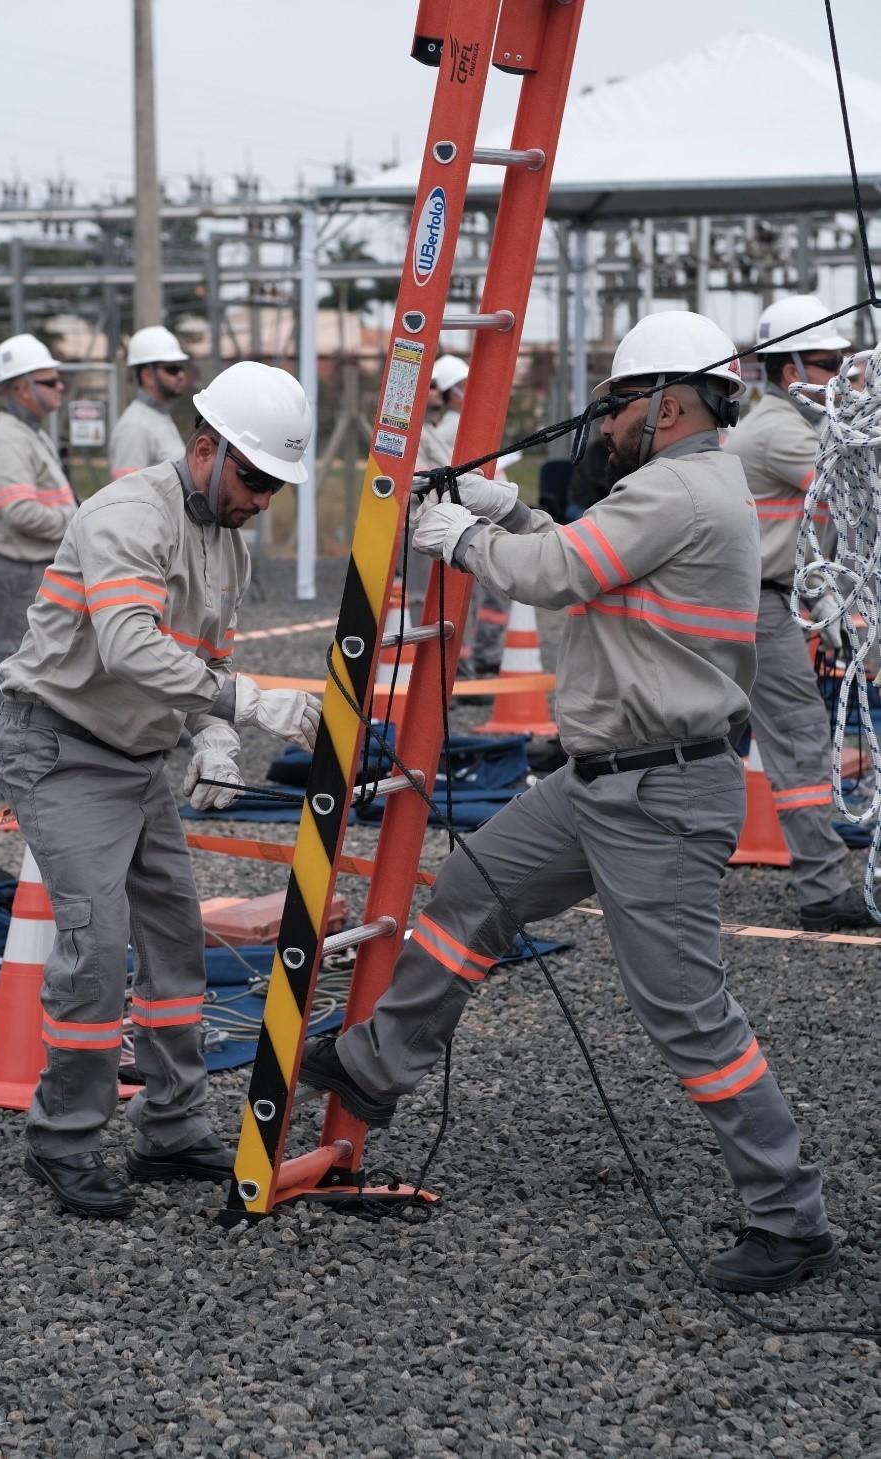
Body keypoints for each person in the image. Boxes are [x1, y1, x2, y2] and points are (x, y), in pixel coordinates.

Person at [301, 311, 838, 1295]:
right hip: (606, 780)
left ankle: (788, 1214)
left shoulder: (675, 488)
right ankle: (378, 1063)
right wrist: (508, 513)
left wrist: (464, 536)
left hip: (658, 790)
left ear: (666, 403)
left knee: (687, 1013)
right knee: (475, 888)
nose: (604, 424)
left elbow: (560, 575)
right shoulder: (679, 484)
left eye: (617, 404)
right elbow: (594, 557)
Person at [0, 361, 321, 1218]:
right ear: (205, 448)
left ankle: (171, 1127)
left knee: (175, 943)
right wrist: (245, 706)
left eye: (276, 486)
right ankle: (63, 1138)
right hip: (60, 748)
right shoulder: (131, 515)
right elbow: (131, 645)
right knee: (95, 945)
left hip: (135, 758)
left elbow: (199, 661)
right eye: (253, 478)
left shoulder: (227, 543)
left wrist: (208, 734)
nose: (261, 499)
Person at [724, 295, 869, 931]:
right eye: (827, 362)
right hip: (752, 607)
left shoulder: (785, 422)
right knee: (800, 735)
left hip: (762, 598)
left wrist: (825, 597)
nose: (842, 376)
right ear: (790, 373)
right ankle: (822, 887)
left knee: (704, 740)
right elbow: (858, 478)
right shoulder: (781, 430)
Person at [0, 334, 77, 681]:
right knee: (19, 662)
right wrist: (76, 521)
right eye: (50, 381)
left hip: (29, 565)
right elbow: (19, 513)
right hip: (18, 570)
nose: (59, 386)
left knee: (38, 660)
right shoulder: (8, 440)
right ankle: (9, 735)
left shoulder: (29, 432)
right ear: (21, 388)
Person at [414, 353, 510, 676]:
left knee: (479, 598)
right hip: (470, 520)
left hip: (478, 518)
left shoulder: (460, 427)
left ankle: (471, 664)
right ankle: (471, 664)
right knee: (472, 598)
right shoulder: (440, 430)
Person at [108, 325, 190, 479]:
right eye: (172, 369)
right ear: (148, 376)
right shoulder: (134, 428)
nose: (180, 375)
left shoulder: (158, 416)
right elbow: (126, 496)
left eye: (181, 367)